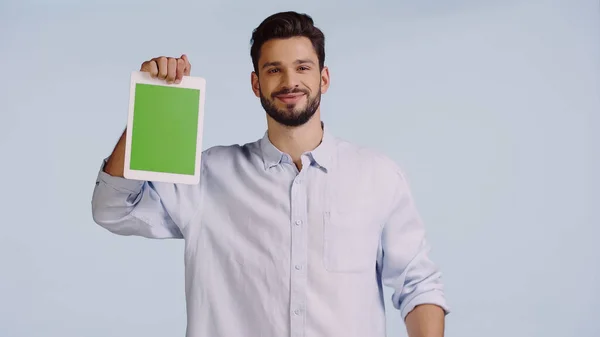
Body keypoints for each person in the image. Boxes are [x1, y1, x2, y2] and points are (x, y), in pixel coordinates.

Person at [91, 11, 449, 337]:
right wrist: (149, 103)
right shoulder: (207, 176)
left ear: (324, 78)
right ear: (255, 83)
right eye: (274, 69)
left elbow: (418, 285)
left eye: (303, 67)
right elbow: (113, 208)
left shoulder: (377, 176)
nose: (289, 81)